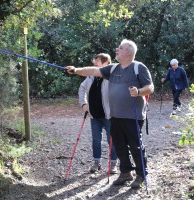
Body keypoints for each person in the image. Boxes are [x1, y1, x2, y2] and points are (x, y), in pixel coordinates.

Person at [66, 39, 154, 188]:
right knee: (119, 145)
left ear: (128, 52)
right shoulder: (112, 68)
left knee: (135, 146)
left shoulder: (139, 68)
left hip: (133, 115)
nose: (116, 49)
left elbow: (150, 87)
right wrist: (76, 70)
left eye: (120, 48)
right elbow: (93, 71)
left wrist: (139, 92)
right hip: (115, 115)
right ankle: (125, 173)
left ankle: (141, 174)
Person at [78, 53, 118, 174]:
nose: (94, 61)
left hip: (109, 116)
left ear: (106, 62)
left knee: (112, 140)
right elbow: (82, 88)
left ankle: (113, 163)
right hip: (94, 115)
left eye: (97, 60)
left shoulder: (112, 75)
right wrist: (83, 103)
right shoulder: (90, 76)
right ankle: (97, 162)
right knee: (96, 140)